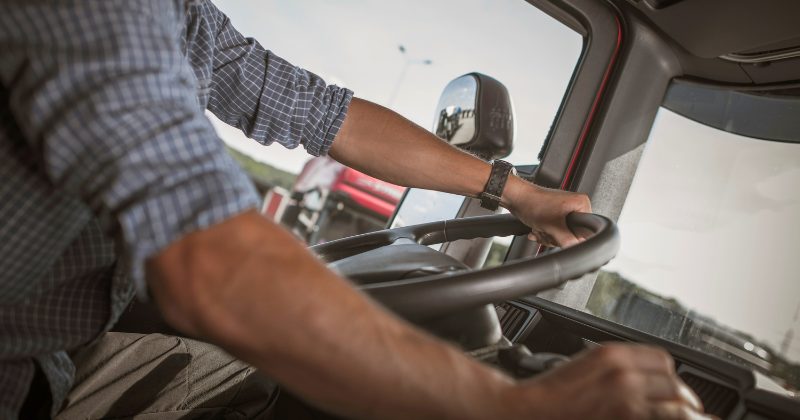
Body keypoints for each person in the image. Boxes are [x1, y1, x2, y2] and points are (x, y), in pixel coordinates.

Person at [0, 1, 711, 419]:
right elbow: (211, 264)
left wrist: (515, 192)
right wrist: (513, 406)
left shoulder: (182, 18)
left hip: (64, 354)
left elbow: (320, 111)